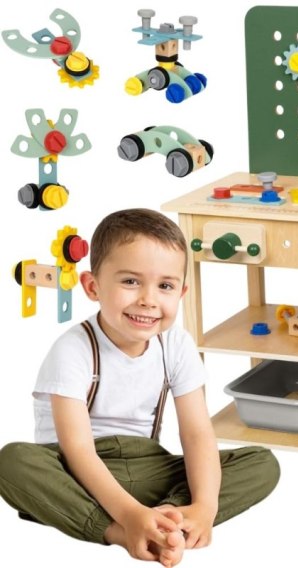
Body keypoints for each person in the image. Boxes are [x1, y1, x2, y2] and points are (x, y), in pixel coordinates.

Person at [0, 208, 280, 567]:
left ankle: (171, 520)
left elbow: (197, 434)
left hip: (149, 466)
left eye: (165, 286)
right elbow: (78, 449)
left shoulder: (175, 344)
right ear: (92, 286)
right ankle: (120, 530)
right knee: (13, 461)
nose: (148, 299)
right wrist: (130, 514)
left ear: (181, 292)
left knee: (262, 463)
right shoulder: (73, 349)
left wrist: (205, 506)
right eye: (131, 281)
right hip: (74, 471)